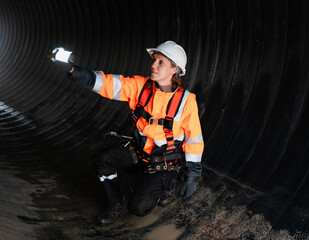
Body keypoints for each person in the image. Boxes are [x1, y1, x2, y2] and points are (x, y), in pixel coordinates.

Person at [59, 41, 204, 226]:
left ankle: (168, 182)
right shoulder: (140, 86)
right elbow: (109, 84)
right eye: (154, 60)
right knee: (102, 158)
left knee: (139, 207)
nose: (153, 65)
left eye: (161, 62)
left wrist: (192, 177)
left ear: (174, 69)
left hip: (164, 160)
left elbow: (194, 139)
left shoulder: (186, 101)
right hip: (139, 152)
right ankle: (114, 203)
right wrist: (75, 71)